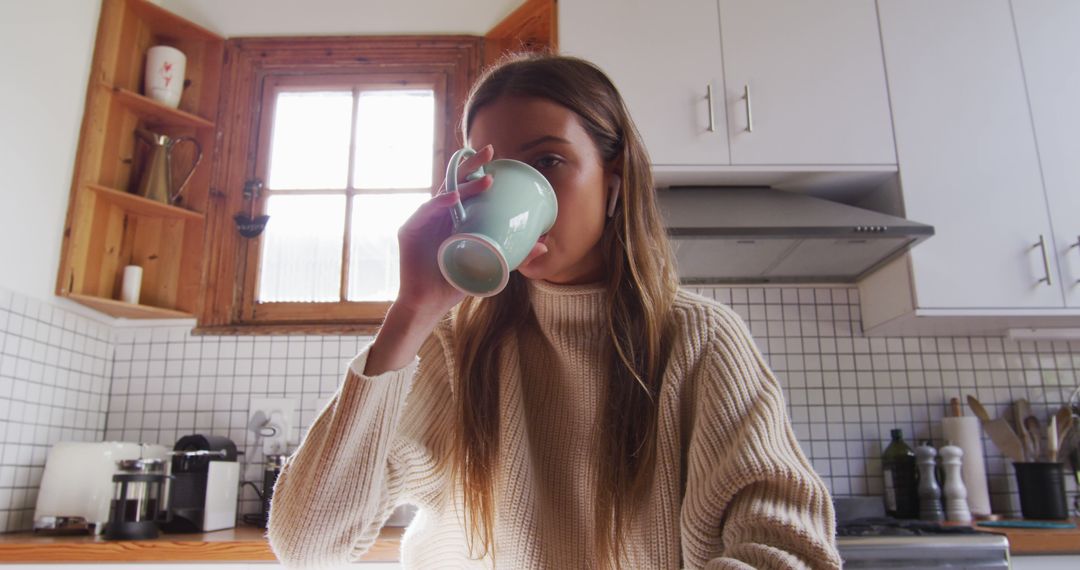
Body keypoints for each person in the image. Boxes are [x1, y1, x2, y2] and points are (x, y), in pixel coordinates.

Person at [267, 53, 841, 569]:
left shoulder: (698, 341)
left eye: (548, 161)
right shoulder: (452, 346)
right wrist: (413, 308)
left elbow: (790, 550)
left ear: (613, 182)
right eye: (487, 175)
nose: (514, 191)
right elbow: (309, 543)